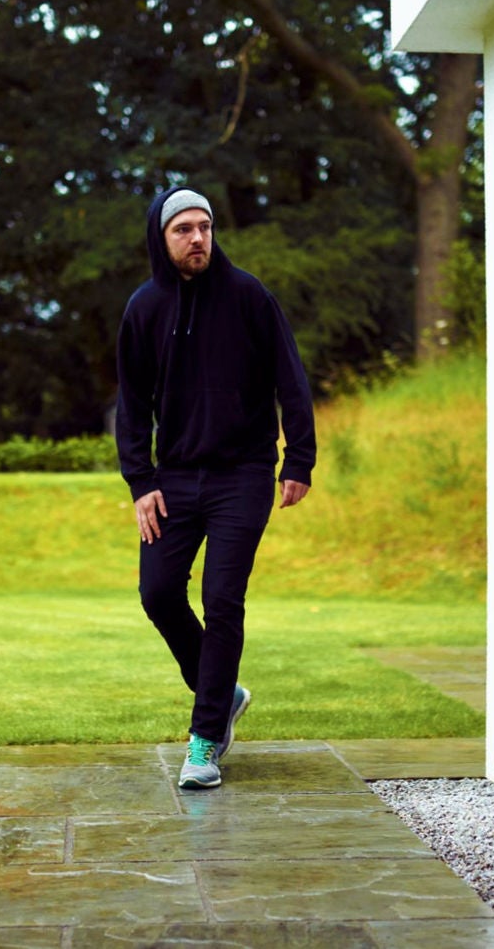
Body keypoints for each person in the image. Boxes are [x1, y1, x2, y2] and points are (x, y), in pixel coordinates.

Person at [114, 185, 316, 790]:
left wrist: (297, 459)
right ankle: (223, 693)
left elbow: (291, 378)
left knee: (223, 599)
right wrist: (140, 481)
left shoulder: (249, 295)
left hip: (242, 476)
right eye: (184, 229)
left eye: (204, 227)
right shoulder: (144, 308)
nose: (197, 238)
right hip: (173, 479)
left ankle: (204, 742)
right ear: (162, 237)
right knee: (157, 594)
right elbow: (132, 403)